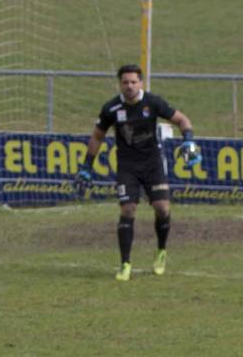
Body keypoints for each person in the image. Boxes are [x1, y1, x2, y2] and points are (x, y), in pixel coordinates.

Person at [82, 64, 197, 283]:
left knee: (162, 208)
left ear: (141, 83)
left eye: (133, 82)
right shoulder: (111, 109)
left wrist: (189, 142)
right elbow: (97, 136)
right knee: (128, 209)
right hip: (127, 166)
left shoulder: (153, 103)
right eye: (125, 82)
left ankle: (161, 251)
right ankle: (125, 264)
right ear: (120, 84)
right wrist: (87, 166)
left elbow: (183, 120)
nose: (129, 86)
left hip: (152, 164)